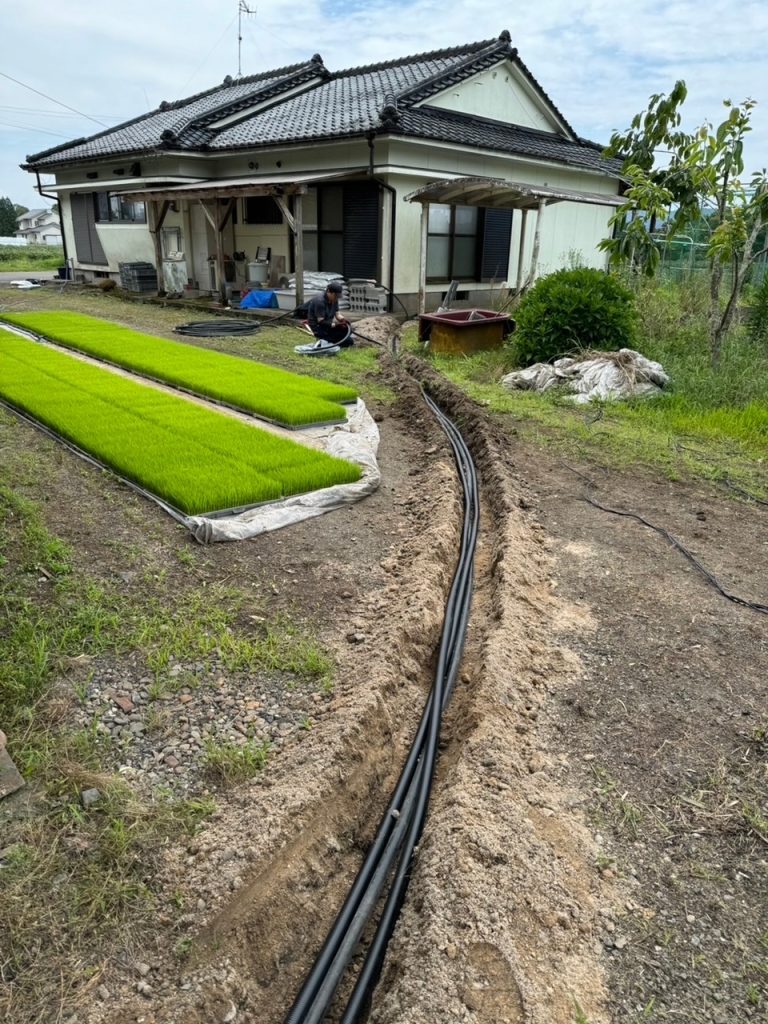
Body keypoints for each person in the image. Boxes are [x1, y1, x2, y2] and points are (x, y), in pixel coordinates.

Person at [306, 281, 353, 348]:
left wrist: (343, 320)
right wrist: (335, 325)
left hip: (328, 326)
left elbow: (337, 314)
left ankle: (331, 339)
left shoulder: (334, 300)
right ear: (329, 292)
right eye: (335, 296)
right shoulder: (320, 302)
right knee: (348, 341)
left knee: (348, 331)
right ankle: (325, 340)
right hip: (319, 328)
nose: (336, 298)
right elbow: (321, 322)